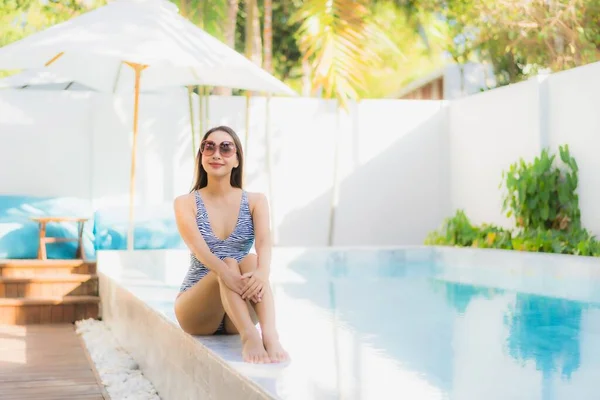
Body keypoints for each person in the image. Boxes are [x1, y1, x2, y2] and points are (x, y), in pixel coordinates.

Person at [173, 125, 289, 364]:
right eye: (209, 147)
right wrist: (226, 273)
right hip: (197, 312)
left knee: (252, 260)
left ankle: (270, 334)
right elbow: (200, 250)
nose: (216, 154)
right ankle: (250, 338)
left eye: (226, 148)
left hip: (237, 312)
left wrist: (262, 272)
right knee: (226, 263)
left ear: (237, 160)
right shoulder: (185, 202)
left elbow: (265, 243)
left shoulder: (256, 201)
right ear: (201, 157)